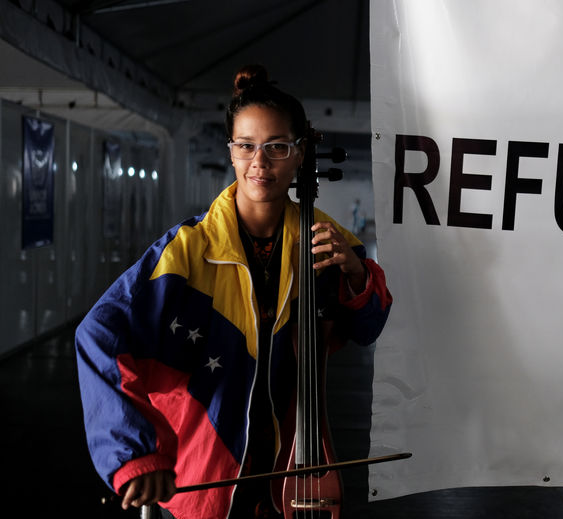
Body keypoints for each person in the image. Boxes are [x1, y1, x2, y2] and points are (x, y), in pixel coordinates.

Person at [75, 64, 392, 519]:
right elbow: (98, 335)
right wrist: (135, 453)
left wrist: (357, 273)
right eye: (246, 146)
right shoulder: (186, 249)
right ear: (231, 151)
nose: (259, 162)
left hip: (297, 471)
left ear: (300, 154)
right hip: (204, 476)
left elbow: (368, 327)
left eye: (277, 147)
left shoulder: (327, 240)